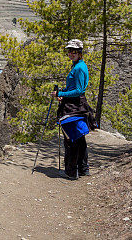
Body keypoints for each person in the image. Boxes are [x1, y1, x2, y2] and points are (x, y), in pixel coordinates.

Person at [51, 39, 96, 180]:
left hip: (74, 107)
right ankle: (83, 169)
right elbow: (74, 88)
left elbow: (79, 90)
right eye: (69, 51)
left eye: (74, 51)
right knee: (79, 137)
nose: (71, 53)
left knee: (71, 139)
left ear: (80, 52)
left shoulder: (79, 68)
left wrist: (61, 94)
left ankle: (71, 171)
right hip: (76, 105)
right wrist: (63, 93)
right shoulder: (77, 66)